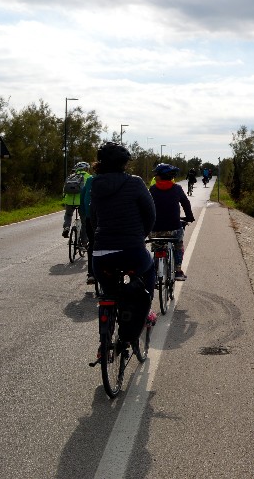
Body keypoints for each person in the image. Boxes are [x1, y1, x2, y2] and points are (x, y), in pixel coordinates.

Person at [90, 142, 156, 353]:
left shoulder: (95, 184)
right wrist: (141, 236)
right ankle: (144, 315)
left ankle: (105, 341)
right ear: (124, 164)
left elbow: (92, 218)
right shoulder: (135, 183)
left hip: (101, 256)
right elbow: (150, 214)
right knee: (150, 268)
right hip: (132, 252)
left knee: (110, 293)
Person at [149, 163, 195, 281]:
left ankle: (155, 272)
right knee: (178, 245)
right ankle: (178, 271)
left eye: (156, 174)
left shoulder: (152, 189)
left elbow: (146, 207)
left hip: (155, 229)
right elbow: (185, 203)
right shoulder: (177, 189)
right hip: (174, 228)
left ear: (159, 176)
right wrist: (189, 217)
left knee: (158, 248)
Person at [61, 161, 91, 238]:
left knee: (68, 215)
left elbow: (64, 189)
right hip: (82, 202)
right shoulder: (89, 177)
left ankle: (66, 227)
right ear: (86, 169)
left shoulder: (70, 176)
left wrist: (64, 198)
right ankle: (84, 243)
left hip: (69, 201)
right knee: (84, 222)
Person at [80, 161, 98, 285]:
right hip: (109, 219)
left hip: (90, 217)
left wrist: (84, 213)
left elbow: (83, 197)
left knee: (92, 244)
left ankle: (91, 274)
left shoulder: (90, 180)